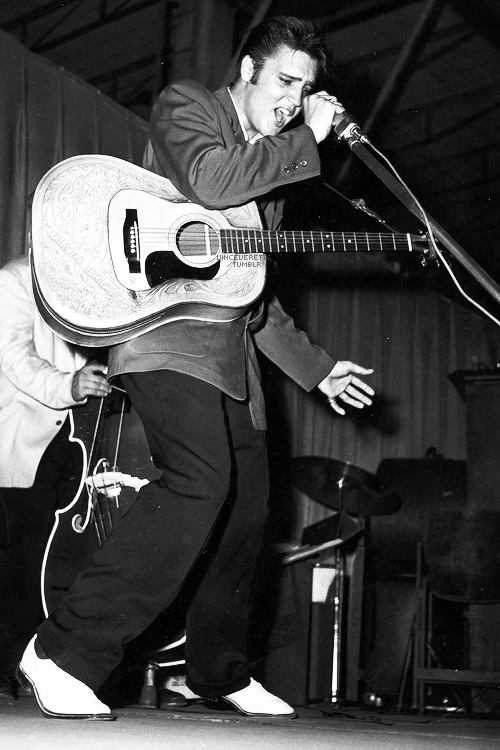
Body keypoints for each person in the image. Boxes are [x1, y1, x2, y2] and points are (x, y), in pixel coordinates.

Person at [19, 15, 375, 721]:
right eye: (283, 82)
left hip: (227, 354)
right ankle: (66, 650)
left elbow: (249, 292)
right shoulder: (191, 108)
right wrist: (308, 138)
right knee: (200, 481)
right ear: (246, 71)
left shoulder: (269, 176)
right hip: (162, 335)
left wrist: (318, 369)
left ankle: (215, 671)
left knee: (248, 508)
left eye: (305, 89)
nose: (291, 99)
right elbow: (212, 182)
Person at [0, 255, 111, 694]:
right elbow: (14, 357)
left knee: (73, 555)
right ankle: (13, 665)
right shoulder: (13, 279)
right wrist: (69, 385)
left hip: (90, 433)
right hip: (30, 432)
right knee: (25, 556)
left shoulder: (94, 278)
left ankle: (62, 662)